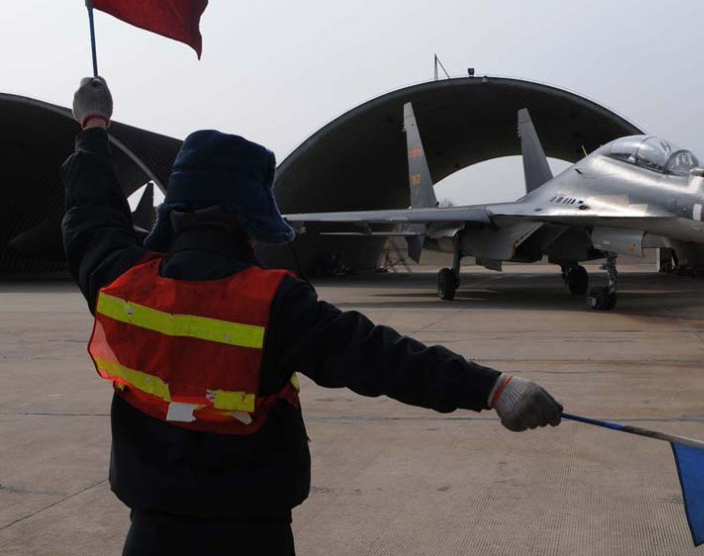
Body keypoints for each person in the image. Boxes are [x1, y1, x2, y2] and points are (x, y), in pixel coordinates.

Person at [63, 77, 562, 556]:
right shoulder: (274, 303)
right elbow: (381, 357)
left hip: (149, 537)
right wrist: (492, 387)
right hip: (251, 539)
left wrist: (93, 129)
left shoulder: (122, 282)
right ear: (247, 220)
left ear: (177, 211)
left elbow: (92, 219)